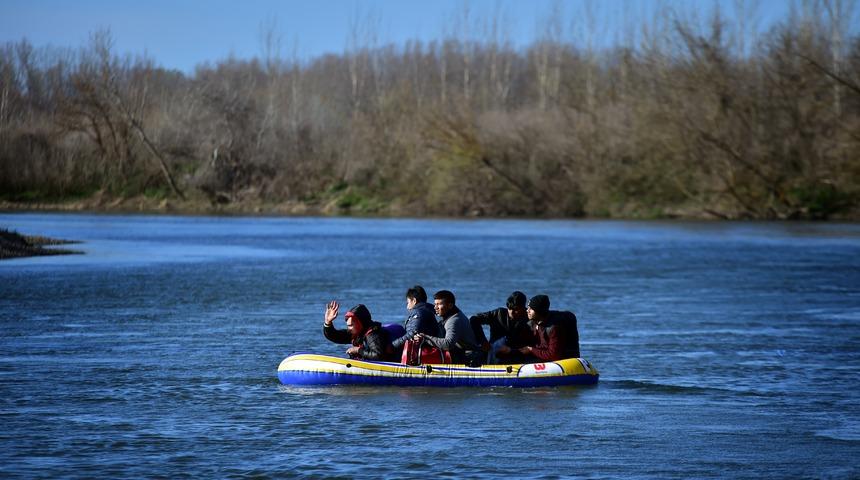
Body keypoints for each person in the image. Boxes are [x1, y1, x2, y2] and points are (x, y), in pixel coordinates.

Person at [414, 290, 482, 366]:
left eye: (439, 304)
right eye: (435, 304)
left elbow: (448, 344)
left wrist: (426, 339)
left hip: (469, 358)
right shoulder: (454, 314)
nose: (435, 307)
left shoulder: (454, 321)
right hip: (463, 353)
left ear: (450, 305)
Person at [322, 301, 398, 361]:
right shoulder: (356, 332)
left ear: (361, 323)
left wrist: (358, 350)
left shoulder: (373, 335)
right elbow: (334, 336)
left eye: (351, 325)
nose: (349, 328)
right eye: (348, 325)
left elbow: (378, 355)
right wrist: (328, 322)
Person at [470, 291, 532, 364]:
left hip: (517, 355)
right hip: (494, 352)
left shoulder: (529, 318)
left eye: (516, 309)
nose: (511, 312)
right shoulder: (499, 314)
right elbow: (474, 319)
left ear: (523, 308)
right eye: (509, 308)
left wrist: (512, 351)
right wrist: (483, 341)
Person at [390, 285, 440, 352]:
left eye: (408, 303)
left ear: (414, 300)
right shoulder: (428, 310)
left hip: (420, 351)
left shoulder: (419, 313)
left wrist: (392, 345)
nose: (407, 307)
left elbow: (413, 333)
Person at [518, 294, 563, 362]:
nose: (527, 311)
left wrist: (531, 350)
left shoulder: (553, 328)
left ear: (539, 311)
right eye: (528, 308)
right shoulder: (531, 324)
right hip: (540, 357)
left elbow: (553, 355)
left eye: (531, 309)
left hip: (556, 362)